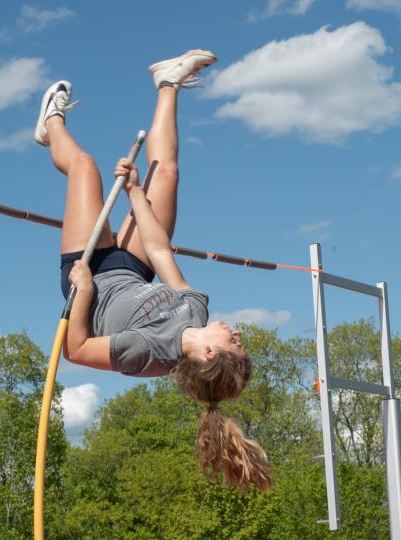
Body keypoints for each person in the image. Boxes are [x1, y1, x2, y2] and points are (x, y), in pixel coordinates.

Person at [35, 50, 271, 492]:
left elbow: (79, 349)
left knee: (85, 169)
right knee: (168, 177)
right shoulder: (196, 313)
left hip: (88, 275)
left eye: (233, 345)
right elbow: (161, 253)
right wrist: (137, 194)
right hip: (133, 269)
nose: (236, 334)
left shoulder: (152, 357)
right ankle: (169, 82)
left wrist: (83, 288)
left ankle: (51, 124)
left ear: (209, 355)